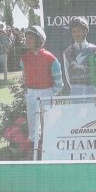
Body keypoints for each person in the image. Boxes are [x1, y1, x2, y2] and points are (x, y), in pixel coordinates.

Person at [20, 26, 62, 154]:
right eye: (26, 38)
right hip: (31, 93)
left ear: (39, 40)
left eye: (30, 38)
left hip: (47, 92)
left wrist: (51, 93)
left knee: (47, 122)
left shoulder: (50, 58)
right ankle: (34, 150)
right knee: (32, 121)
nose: (27, 40)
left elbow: (58, 81)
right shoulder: (24, 58)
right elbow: (24, 76)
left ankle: (49, 150)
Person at [63, 17, 96, 97]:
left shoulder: (95, 50)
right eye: (73, 32)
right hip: (75, 92)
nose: (76, 34)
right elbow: (67, 76)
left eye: (79, 31)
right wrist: (76, 88)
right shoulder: (67, 52)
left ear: (85, 31)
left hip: (92, 91)